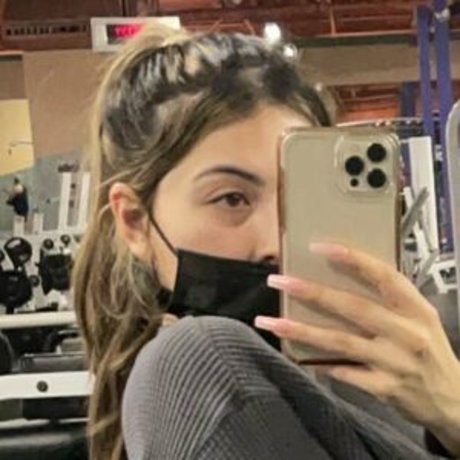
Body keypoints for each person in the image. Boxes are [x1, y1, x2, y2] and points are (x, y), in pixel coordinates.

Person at [72, 25, 460, 460]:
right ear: (134, 221)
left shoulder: (408, 382)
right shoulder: (196, 364)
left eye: (299, 198)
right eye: (231, 199)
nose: (275, 242)